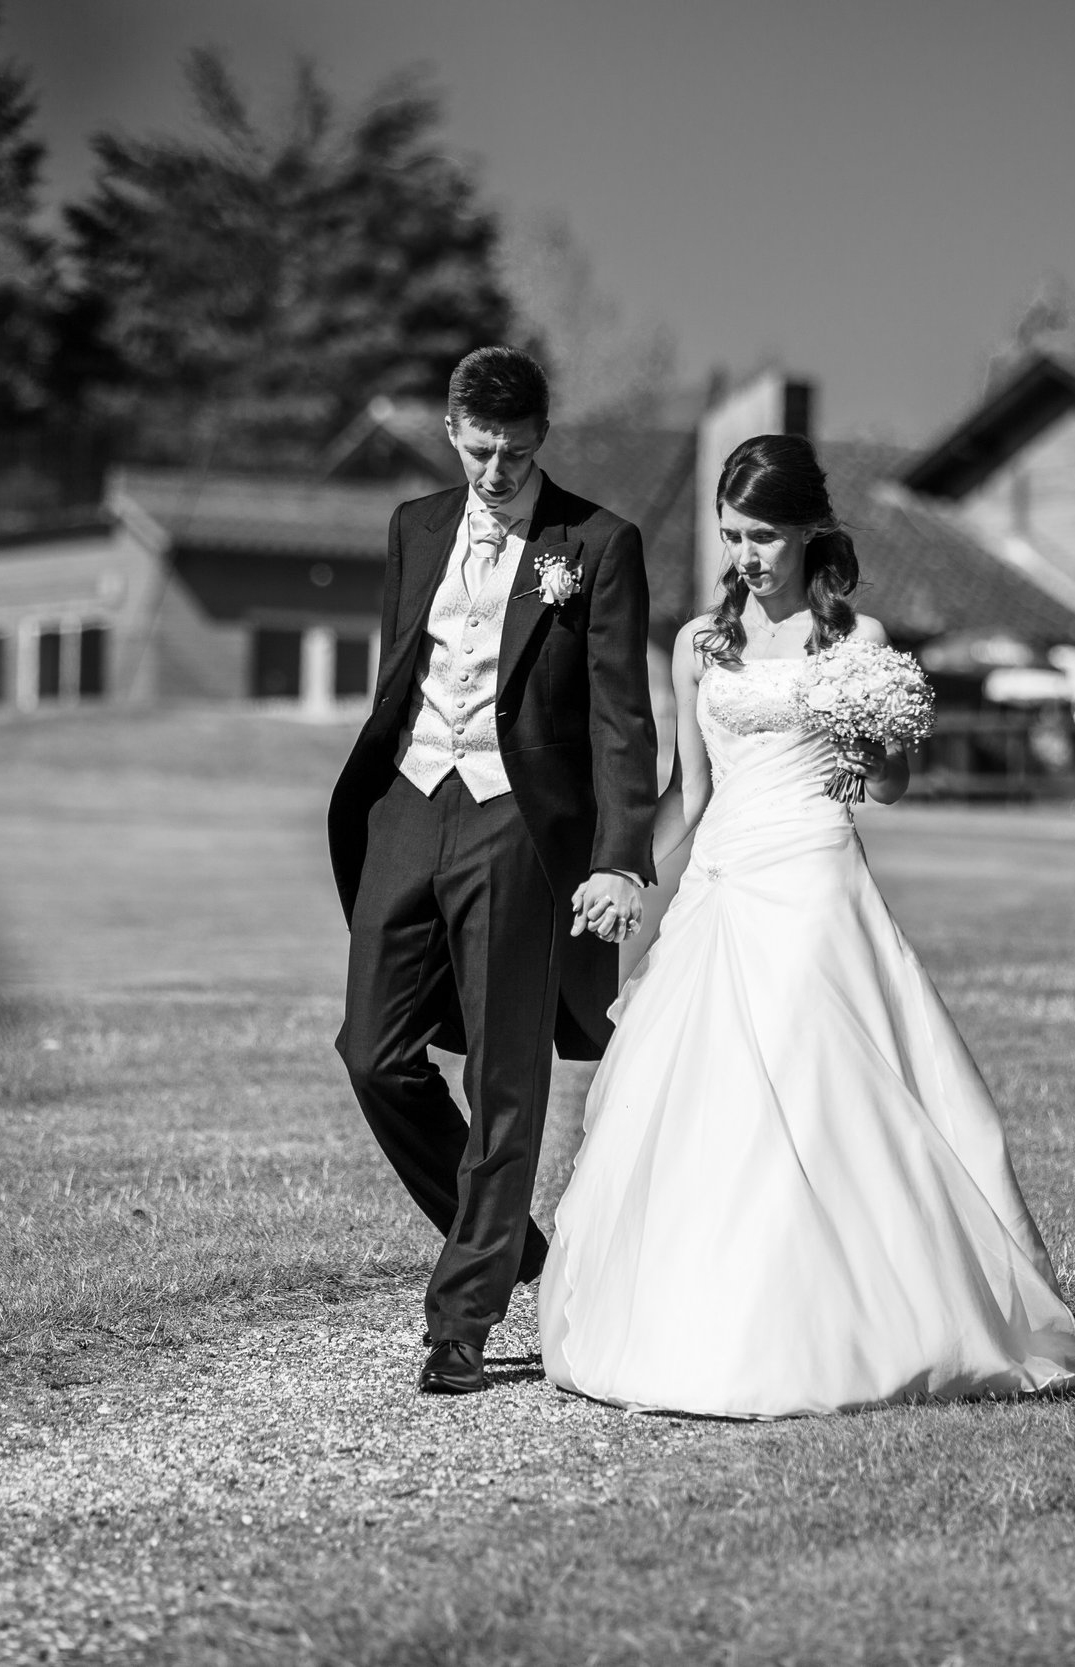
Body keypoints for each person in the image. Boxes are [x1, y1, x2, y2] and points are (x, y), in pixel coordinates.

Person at [538, 434, 1075, 1417]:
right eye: (733, 535)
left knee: (808, 1093)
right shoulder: (698, 644)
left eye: (764, 534)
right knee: (705, 1103)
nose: (747, 555)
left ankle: (847, 1323)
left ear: (812, 529)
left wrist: (875, 757)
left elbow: (888, 782)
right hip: (722, 884)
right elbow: (688, 790)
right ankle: (709, 1320)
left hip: (812, 878)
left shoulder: (856, 643)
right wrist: (626, 873)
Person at [328, 346, 659, 1395]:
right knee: (374, 1052)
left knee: (505, 1076)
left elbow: (619, 714)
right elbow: (402, 672)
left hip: (519, 821)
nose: (497, 470)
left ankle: (461, 1317)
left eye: (516, 451)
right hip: (408, 802)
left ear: (541, 437)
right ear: (451, 434)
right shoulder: (414, 528)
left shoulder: (597, 545)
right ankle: (514, 1246)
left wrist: (617, 858)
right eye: (479, 450)